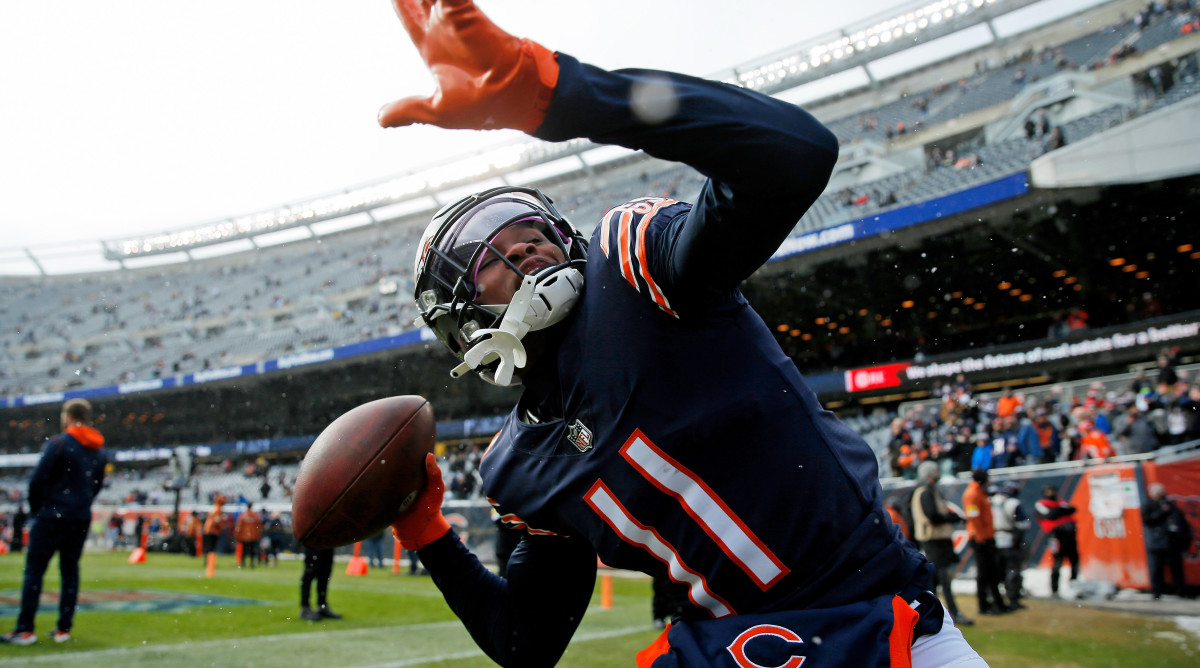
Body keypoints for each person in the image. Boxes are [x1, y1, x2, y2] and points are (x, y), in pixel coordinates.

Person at [384, 2, 986, 667]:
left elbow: (796, 154)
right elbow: (525, 643)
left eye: (532, 232)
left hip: (879, 619)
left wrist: (560, 95)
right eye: (489, 253)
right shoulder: (519, 467)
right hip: (731, 649)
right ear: (458, 316)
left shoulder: (635, 272)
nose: (527, 248)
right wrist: (428, 532)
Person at [1, 399, 107, 646]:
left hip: (52, 516)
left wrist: (40, 509)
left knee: (34, 572)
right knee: (70, 572)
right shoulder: (99, 451)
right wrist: (80, 504)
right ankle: (63, 629)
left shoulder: (59, 444)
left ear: (68, 416)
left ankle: (25, 629)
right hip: (79, 517)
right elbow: (96, 486)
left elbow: (36, 481)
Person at [911, 461, 974, 627]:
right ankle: (950, 613)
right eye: (937, 471)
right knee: (942, 578)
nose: (939, 473)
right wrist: (951, 518)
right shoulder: (925, 492)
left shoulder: (929, 491)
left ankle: (939, 613)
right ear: (930, 474)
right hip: (934, 541)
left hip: (938, 540)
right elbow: (932, 516)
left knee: (939, 579)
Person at [961, 469, 1009, 615]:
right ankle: (983, 606)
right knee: (983, 573)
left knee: (992, 572)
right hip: (980, 539)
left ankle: (997, 603)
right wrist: (982, 539)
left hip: (986, 537)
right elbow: (973, 518)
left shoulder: (979, 492)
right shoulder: (973, 494)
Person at [1142, 482, 1193, 599]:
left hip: (1172, 541)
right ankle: (1157, 591)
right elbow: (1148, 521)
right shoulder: (1149, 505)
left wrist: (1184, 537)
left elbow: (1181, 521)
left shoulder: (1170, 505)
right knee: (1157, 569)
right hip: (1157, 542)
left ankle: (1180, 590)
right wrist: (1162, 512)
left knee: (1177, 568)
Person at [990, 483, 1030, 609]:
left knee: (997, 572)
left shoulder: (991, 500)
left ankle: (994, 598)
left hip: (993, 539)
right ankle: (1013, 599)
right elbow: (1023, 524)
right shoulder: (1013, 503)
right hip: (1009, 540)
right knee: (1013, 570)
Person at [1035, 486, 1079, 597]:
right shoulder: (1042, 503)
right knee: (1057, 561)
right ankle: (1054, 589)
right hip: (1056, 536)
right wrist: (1060, 511)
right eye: (1049, 491)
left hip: (1070, 535)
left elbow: (1072, 509)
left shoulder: (1061, 502)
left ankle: (1074, 586)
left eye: (1053, 491)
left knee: (1075, 560)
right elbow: (1049, 515)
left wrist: (1058, 511)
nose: (1051, 493)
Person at [299, 547, 342, 621]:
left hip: (328, 541)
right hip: (314, 541)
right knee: (310, 572)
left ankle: (322, 606)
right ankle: (305, 608)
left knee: (325, 572)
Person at [233, 503, 263, 569]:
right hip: (253, 537)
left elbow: (239, 527)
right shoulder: (255, 516)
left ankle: (243, 563)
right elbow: (259, 527)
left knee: (244, 551)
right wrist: (258, 535)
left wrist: (237, 536)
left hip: (244, 537)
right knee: (253, 550)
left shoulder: (243, 516)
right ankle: (252, 564)